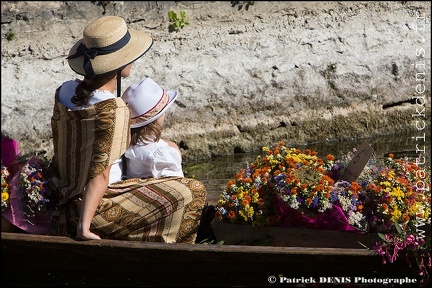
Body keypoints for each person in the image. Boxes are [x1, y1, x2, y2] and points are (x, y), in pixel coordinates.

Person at [49, 15, 207, 243]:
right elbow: (101, 173)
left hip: (63, 196)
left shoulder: (63, 92)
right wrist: (83, 228)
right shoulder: (114, 109)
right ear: (119, 64)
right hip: (97, 207)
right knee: (193, 189)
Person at [121, 77, 184, 179]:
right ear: (157, 118)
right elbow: (176, 186)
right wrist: (175, 156)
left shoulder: (127, 147)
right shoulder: (161, 153)